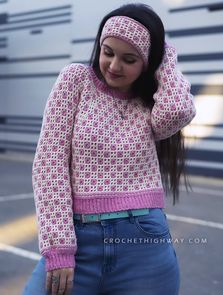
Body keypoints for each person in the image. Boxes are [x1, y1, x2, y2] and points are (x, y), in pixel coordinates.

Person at [23, 3, 196, 295]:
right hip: (79, 242)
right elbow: (49, 163)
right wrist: (59, 248)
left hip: (144, 242)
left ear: (148, 63)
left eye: (129, 59)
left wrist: (164, 55)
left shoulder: (151, 102)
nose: (114, 66)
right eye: (108, 52)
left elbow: (178, 112)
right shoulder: (75, 80)